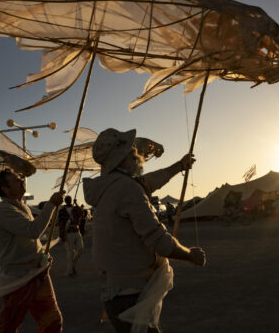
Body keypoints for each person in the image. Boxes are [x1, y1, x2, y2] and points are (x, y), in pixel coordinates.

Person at [83, 128, 207, 333]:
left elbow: (148, 182)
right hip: (131, 296)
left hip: (116, 294)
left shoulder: (111, 186)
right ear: (122, 159)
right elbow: (159, 240)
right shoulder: (127, 188)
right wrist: (190, 255)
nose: (138, 157)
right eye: (133, 154)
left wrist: (179, 166)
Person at [0, 169, 64, 333]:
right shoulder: (4, 209)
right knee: (8, 326)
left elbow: (31, 240)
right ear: (5, 189)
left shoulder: (22, 207)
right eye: (16, 180)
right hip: (18, 277)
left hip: (37, 273)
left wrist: (42, 255)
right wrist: (51, 204)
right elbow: (33, 231)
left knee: (52, 322)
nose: (22, 181)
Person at [62, 196, 84, 276]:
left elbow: (82, 213)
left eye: (69, 200)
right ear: (65, 201)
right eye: (67, 200)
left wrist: (76, 204)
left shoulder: (75, 209)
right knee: (70, 253)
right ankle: (70, 271)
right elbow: (61, 223)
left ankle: (73, 265)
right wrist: (62, 235)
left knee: (81, 248)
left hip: (77, 232)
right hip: (68, 233)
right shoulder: (62, 210)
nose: (69, 201)